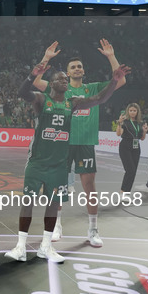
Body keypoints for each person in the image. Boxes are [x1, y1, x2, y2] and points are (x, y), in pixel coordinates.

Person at [5, 60, 129, 263]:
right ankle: (20, 246)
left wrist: (114, 81)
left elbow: (99, 98)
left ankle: (46, 246)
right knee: (28, 202)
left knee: (54, 205)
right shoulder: (41, 99)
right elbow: (22, 93)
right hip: (37, 162)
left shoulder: (74, 103)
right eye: (60, 79)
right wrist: (31, 75)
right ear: (51, 84)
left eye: (65, 79)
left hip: (59, 165)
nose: (64, 81)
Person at [33, 39, 126, 246]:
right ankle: (56, 225)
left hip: (84, 143)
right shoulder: (59, 89)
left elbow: (119, 81)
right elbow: (36, 82)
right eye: (73, 67)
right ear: (67, 73)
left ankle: (93, 229)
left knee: (89, 186)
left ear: (83, 72)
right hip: (62, 144)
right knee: (57, 187)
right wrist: (46, 58)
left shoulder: (93, 88)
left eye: (79, 67)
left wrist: (111, 57)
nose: (77, 69)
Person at [116, 103, 148, 203]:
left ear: (137, 112)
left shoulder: (140, 123)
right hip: (125, 146)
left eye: (134, 111)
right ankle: (122, 192)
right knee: (130, 170)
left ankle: (126, 193)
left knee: (133, 171)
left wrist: (144, 131)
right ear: (128, 111)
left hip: (136, 147)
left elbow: (142, 138)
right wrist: (119, 123)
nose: (132, 112)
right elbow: (118, 134)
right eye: (131, 110)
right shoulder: (124, 122)